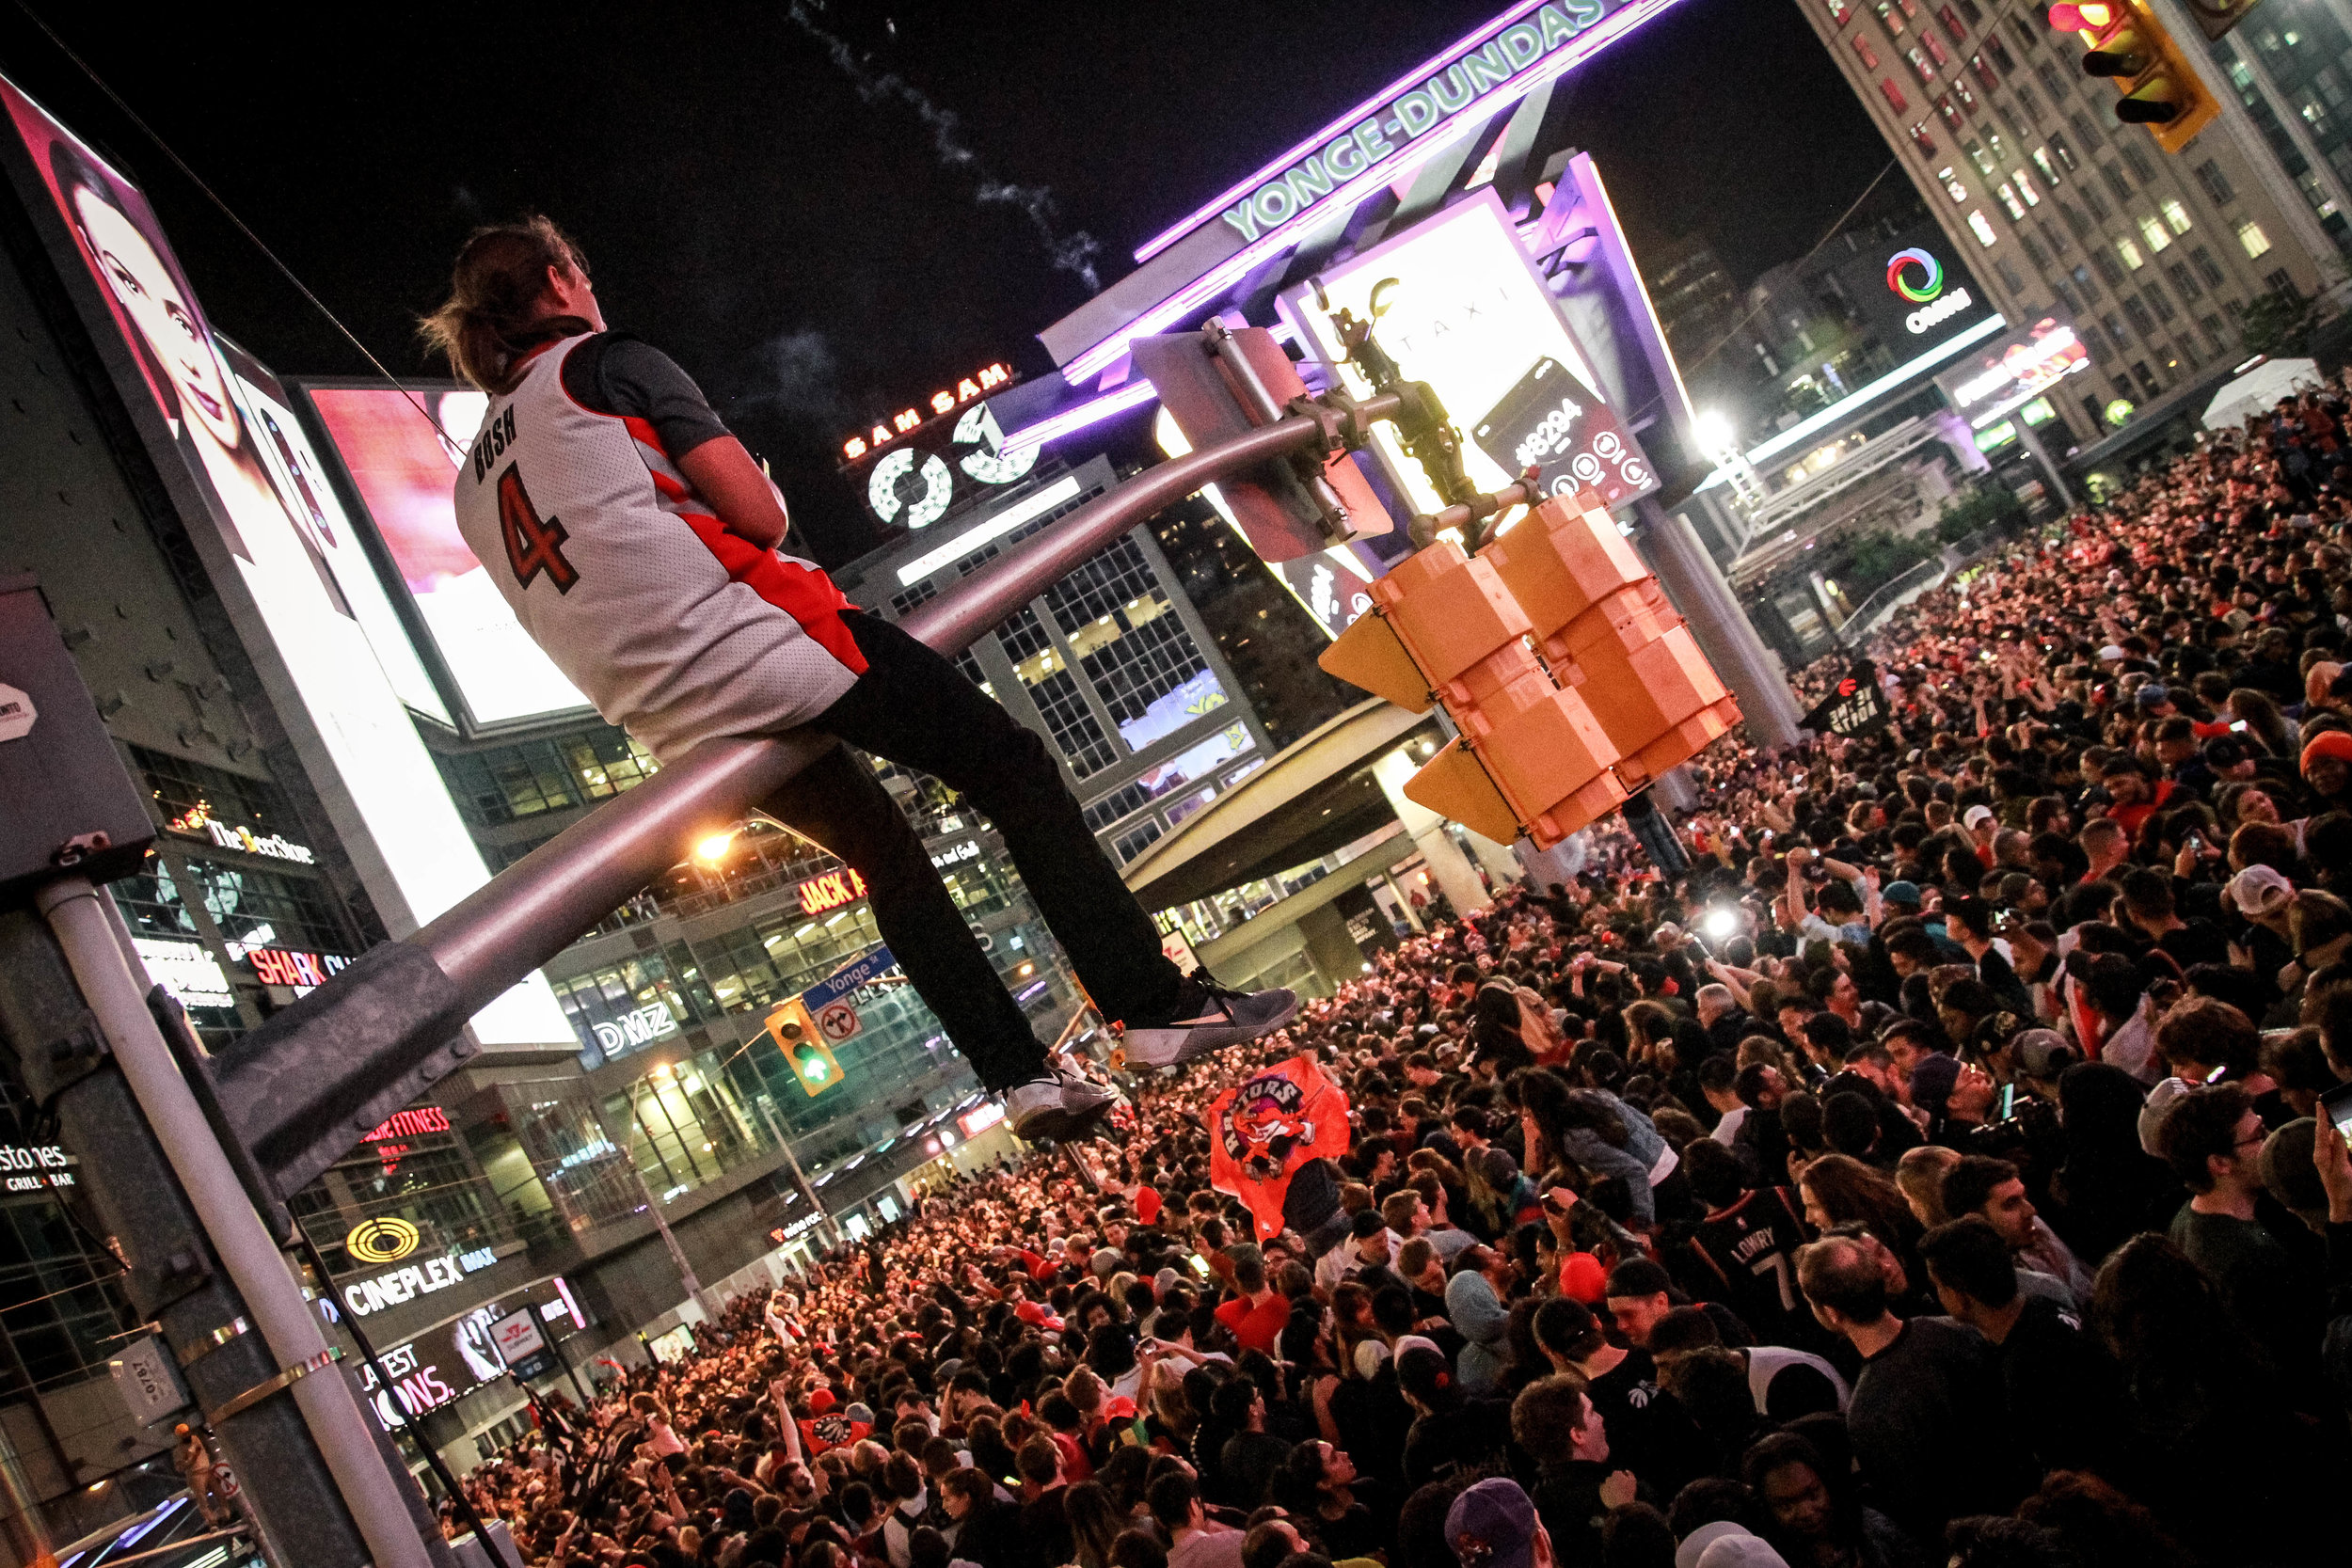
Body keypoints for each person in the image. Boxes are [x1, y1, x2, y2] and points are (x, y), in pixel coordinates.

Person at [423, 217, 1296, 1140]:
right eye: (583, 275)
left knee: (885, 856)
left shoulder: (469, 484)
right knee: (1011, 767)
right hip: (762, 639)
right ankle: (1151, 1002)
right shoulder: (609, 362)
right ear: (561, 280)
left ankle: (1019, 1078)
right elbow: (757, 516)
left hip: (668, 716)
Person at [1795, 1235, 2028, 1548]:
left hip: (1986, 1544)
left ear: (1832, 1312)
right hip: (2033, 1498)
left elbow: (1915, 1516)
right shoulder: (1958, 1330)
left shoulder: (1868, 1412)